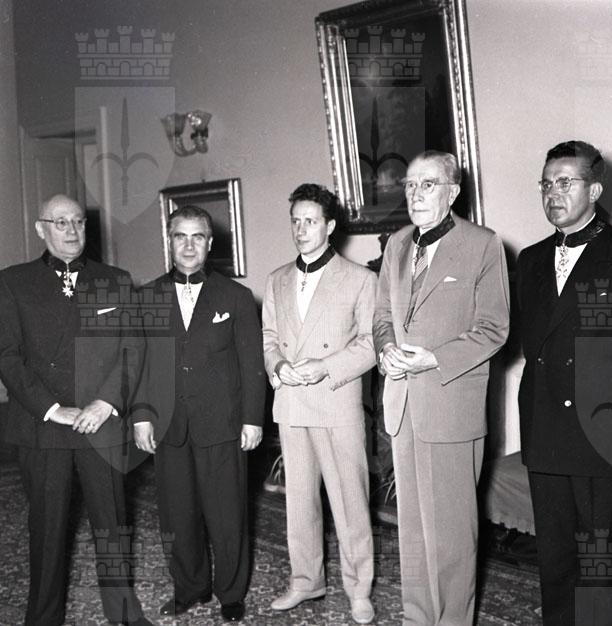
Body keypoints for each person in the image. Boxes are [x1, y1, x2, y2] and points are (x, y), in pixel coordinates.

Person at [0, 194, 152, 626]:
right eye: (61, 222)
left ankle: (124, 614)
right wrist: (52, 409)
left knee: (112, 523)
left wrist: (106, 401)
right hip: (43, 426)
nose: (72, 230)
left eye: (79, 222)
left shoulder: (115, 279)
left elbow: (133, 347)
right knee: (47, 530)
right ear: (40, 229)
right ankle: (42, 618)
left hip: (101, 422)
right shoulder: (12, 282)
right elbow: (7, 356)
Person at [373, 151, 510, 625]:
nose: (415, 194)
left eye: (427, 184)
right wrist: (385, 349)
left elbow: (494, 328)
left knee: (451, 535)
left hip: (450, 404)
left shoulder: (482, 244)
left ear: (452, 192)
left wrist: (434, 358)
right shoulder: (396, 244)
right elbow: (382, 316)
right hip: (402, 403)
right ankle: (417, 618)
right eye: (409, 185)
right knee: (411, 529)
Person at [516, 140, 612, 625]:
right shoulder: (530, 260)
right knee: (556, 564)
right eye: (546, 183)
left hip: (606, 437)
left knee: (605, 570)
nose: (553, 193)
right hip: (546, 434)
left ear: (595, 190)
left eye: (565, 182)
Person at [133, 205, 264, 623]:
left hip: (222, 424)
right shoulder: (146, 297)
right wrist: (140, 416)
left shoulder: (236, 297)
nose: (188, 246)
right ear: (169, 241)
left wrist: (253, 419)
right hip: (168, 425)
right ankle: (190, 588)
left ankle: (231, 593)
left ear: (210, 243)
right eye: (180, 236)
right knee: (177, 515)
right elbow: (137, 362)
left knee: (227, 515)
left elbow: (251, 363)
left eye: (197, 237)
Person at [262, 183, 377, 624]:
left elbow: (371, 343)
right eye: (296, 221)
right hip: (292, 403)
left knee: (350, 503)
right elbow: (269, 337)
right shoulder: (277, 279)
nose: (301, 230)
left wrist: (325, 366)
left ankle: (358, 589)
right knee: (299, 503)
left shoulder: (360, 279)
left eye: (310, 221)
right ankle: (306, 581)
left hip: (335, 403)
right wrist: (277, 366)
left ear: (330, 226)